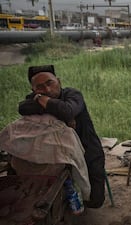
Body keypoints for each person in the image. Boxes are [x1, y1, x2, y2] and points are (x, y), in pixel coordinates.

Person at [18, 65, 105, 208]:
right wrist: (59, 110)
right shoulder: (34, 98)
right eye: (40, 87)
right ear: (33, 91)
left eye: (49, 83)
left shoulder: (73, 94)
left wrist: (44, 102)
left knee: (94, 201)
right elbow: (22, 108)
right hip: (57, 151)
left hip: (87, 147)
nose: (47, 90)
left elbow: (68, 110)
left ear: (59, 81)